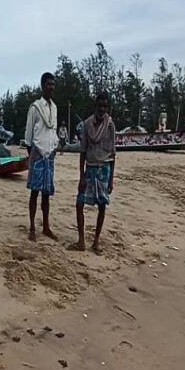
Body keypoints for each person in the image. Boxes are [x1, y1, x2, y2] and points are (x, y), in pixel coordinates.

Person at [73, 93, 116, 254]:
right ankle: (81, 241)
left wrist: (111, 179)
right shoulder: (86, 125)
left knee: (102, 206)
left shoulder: (110, 125)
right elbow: (82, 151)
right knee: (79, 204)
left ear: (107, 107)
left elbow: (113, 154)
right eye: (100, 106)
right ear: (95, 106)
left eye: (105, 106)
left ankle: (96, 241)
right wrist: (81, 176)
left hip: (104, 169)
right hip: (89, 168)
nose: (102, 109)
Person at [24, 72, 58, 242]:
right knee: (34, 193)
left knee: (46, 194)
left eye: (53, 84)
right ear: (42, 86)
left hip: (50, 155)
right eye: (48, 84)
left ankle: (46, 226)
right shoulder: (35, 107)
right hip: (37, 154)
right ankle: (32, 227)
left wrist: (54, 148)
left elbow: (53, 131)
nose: (51, 87)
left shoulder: (55, 108)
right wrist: (33, 155)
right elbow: (28, 135)